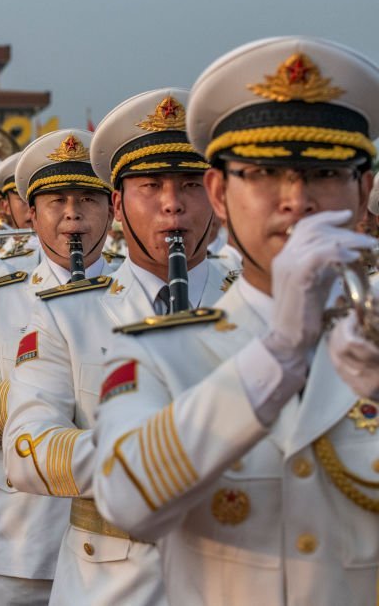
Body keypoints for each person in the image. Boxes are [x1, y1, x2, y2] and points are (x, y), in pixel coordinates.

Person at [92, 37, 379, 605]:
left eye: (323, 172)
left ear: (364, 190)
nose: (296, 201)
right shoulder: (157, 352)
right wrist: (281, 351)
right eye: (267, 173)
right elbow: (126, 502)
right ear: (220, 194)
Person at [5, 90, 236, 606]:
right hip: (112, 581)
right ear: (117, 205)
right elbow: (27, 452)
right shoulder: (66, 313)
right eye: (150, 186)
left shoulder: (257, 302)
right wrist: (149, 457)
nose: (171, 203)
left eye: (190, 185)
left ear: (217, 195)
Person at [0, 128, 116, 604]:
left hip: (122, 539)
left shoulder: (143, 291)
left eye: (88, 198)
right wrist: (37, 392)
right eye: (56, 200)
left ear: (112, 207)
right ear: (32, 212)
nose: (72, 214)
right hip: (31, 533)